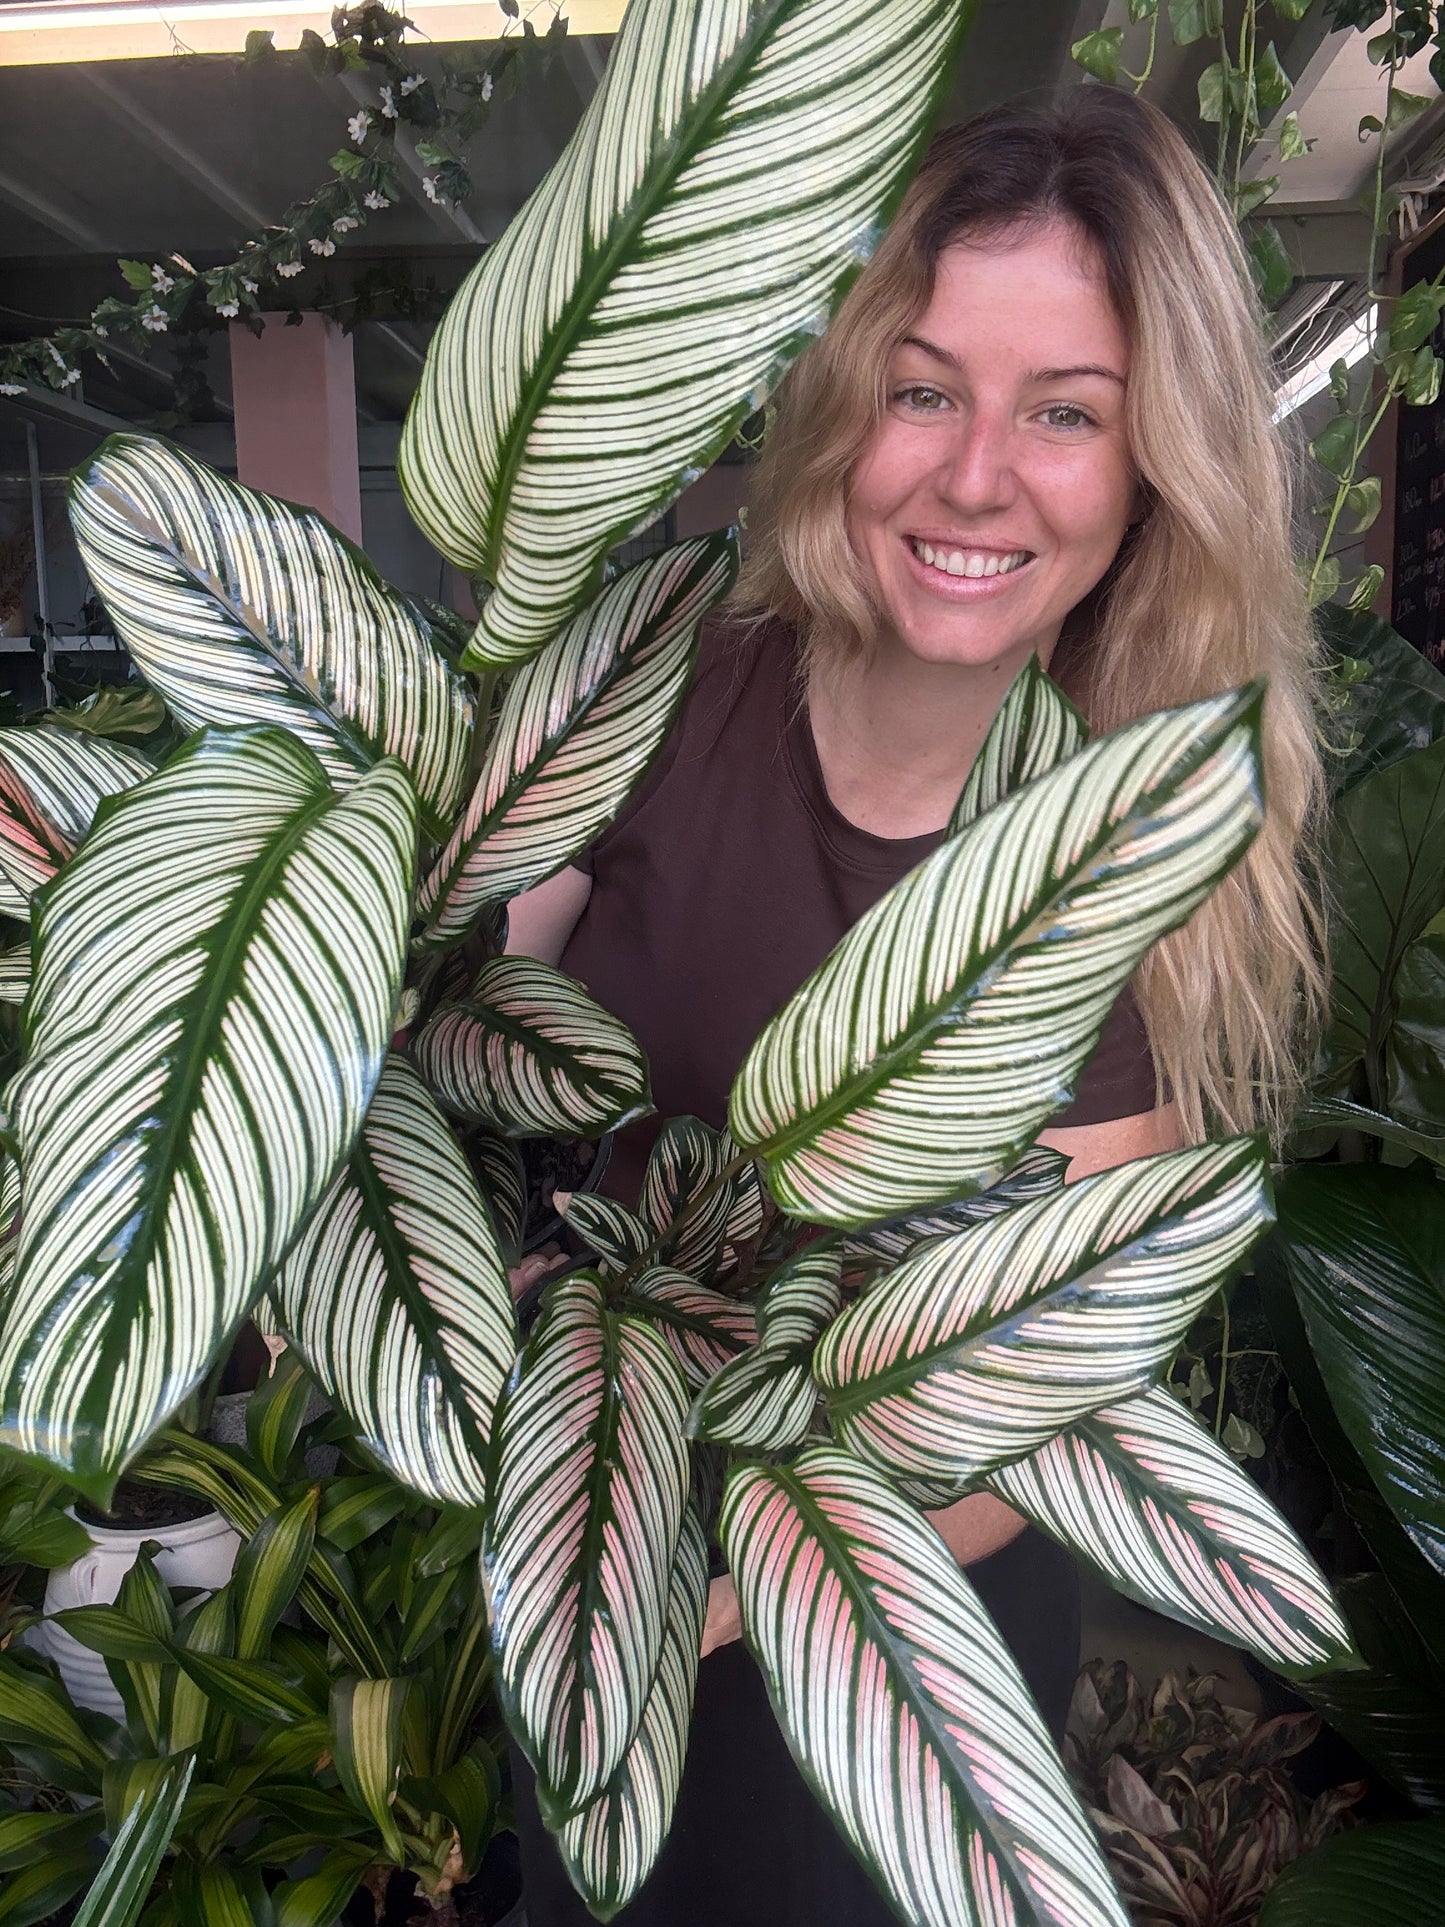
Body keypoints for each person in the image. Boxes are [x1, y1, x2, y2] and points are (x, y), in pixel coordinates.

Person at [502, 83, 1326, 1926]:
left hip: (872, 1651)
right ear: (841, 406)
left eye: (1066, 414)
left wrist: (666, 1607)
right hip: (586, 1525)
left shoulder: (1114, 856)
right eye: (924, 389)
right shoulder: (667, 685)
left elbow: (1012, 1409)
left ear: (1152, 469)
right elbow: (458, 1015)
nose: (973, 478)